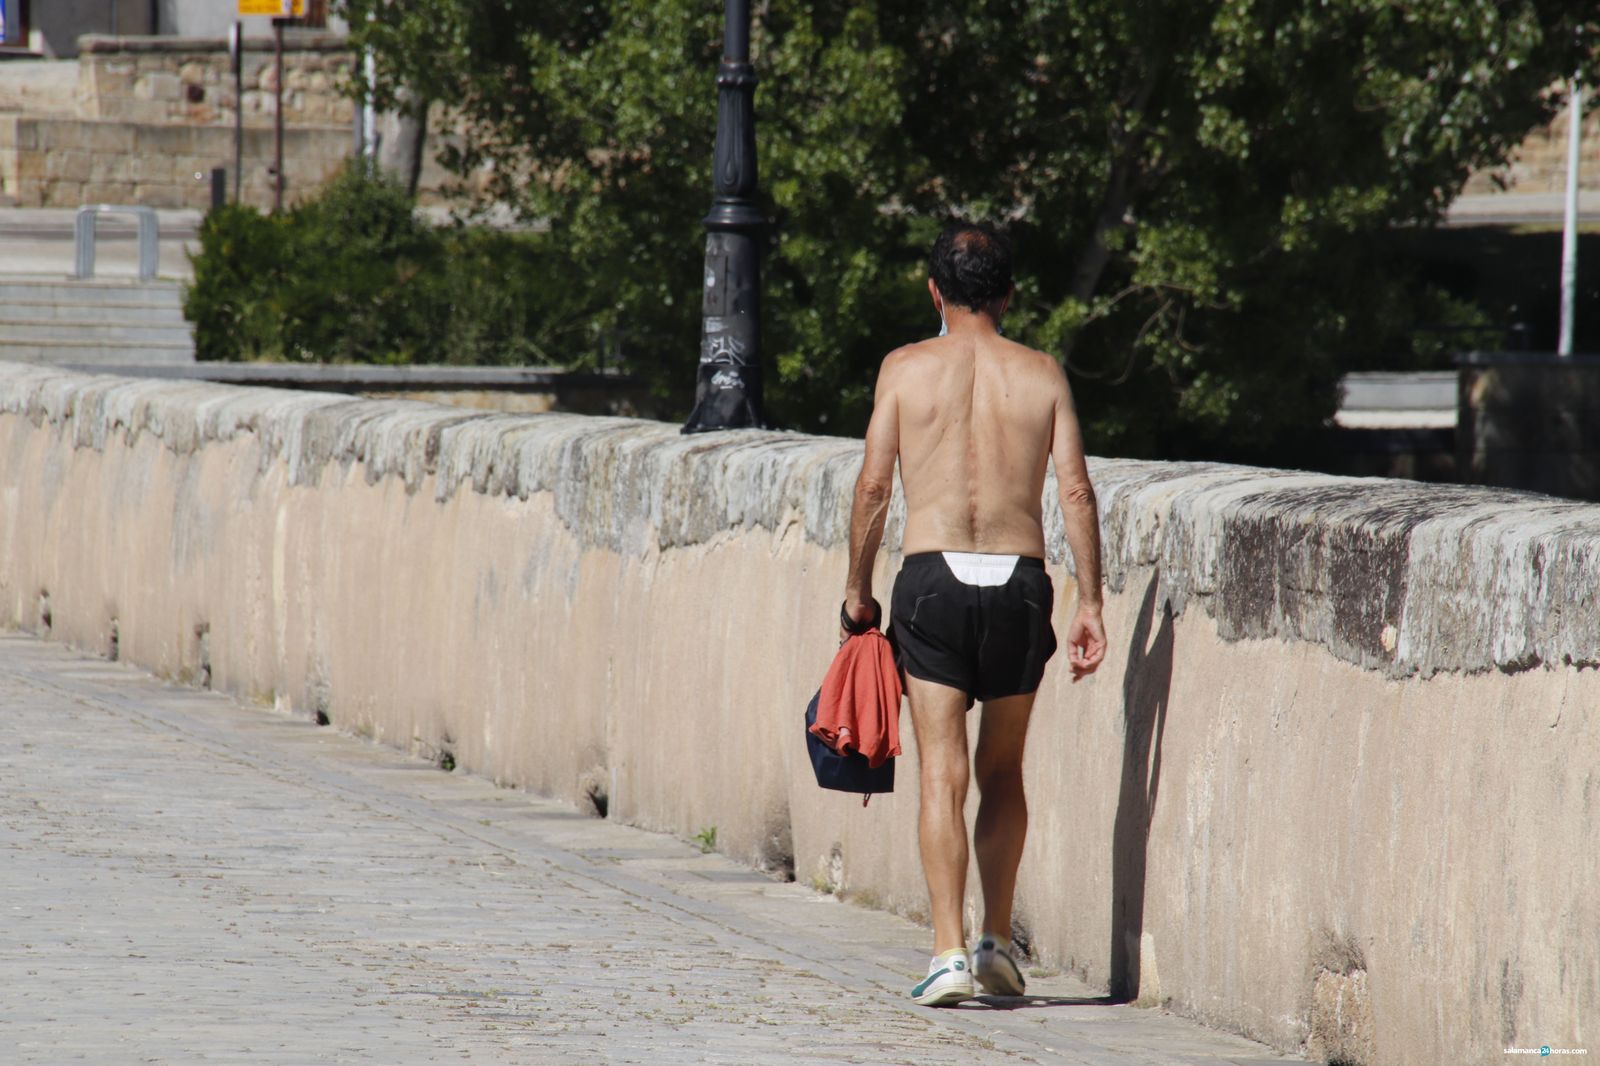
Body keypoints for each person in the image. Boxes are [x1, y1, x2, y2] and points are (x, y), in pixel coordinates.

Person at [842, 220, 1107, 1006]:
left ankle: (947, 951)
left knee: (942, 774)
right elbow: (1077, 493)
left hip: (932, 580)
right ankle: (995, 940)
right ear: (1010, 294)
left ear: (934, 291)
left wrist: (859, 588)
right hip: (1021, 582)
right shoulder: (1043, 373)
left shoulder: (903, 368)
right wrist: (1090, 599)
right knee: (1002, 770)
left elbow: (872, 489)